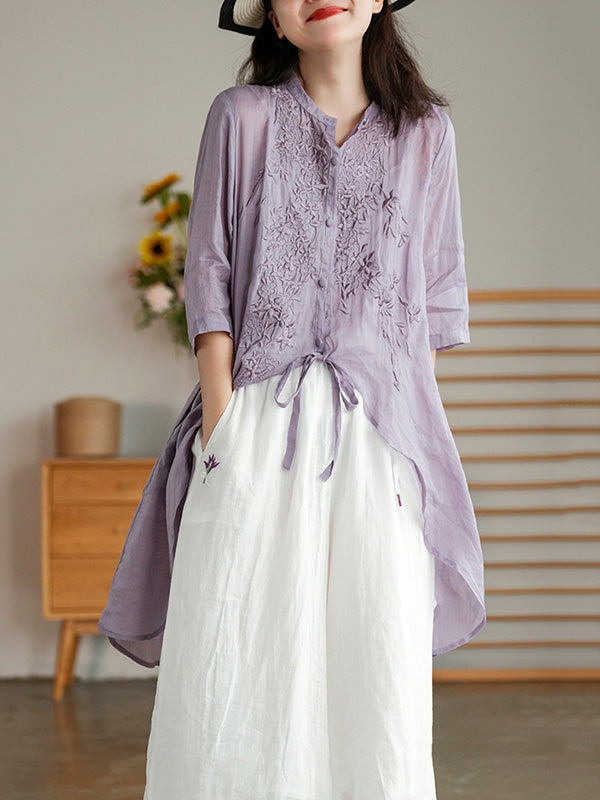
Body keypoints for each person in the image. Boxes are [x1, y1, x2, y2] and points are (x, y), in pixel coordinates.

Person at [99, 1, 487, 797]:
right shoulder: (240, 117)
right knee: (237, 661)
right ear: (274, 21)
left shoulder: (427, 134)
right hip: (254, 426)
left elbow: (431, 307)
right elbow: (209, 275)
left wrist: (411, 444)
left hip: (380, 440)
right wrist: (221, 430)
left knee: (373, 667)